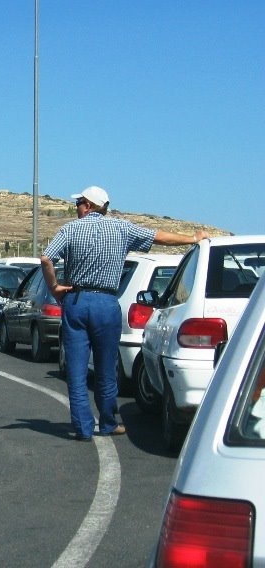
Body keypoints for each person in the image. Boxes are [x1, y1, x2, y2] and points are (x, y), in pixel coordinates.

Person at [40, 185, 209, 441]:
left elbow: (46, 259)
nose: (76, 208)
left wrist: (54, 287)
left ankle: (83, 427)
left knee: (76, 370)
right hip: (107, 303)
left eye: (78, 203)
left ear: (88, 205)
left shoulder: (70, 230)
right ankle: (108, 422)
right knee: (107, 367)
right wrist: (192, 239)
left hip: (77, 300)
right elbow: (159, 237)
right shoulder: (123, 228)